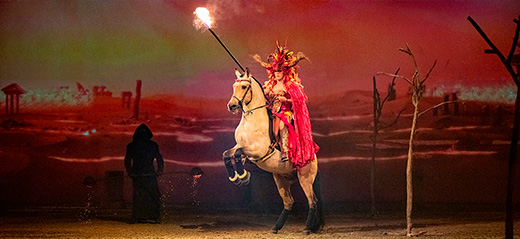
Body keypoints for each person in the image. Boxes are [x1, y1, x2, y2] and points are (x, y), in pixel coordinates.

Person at [253, 43, 319, 169]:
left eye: (280, 71)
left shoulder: (290, 85)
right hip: (272, 111)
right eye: (275, 71)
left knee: (281, 126)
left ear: (284, 72)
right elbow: (263, 95)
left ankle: (284, 150)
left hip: (285, 113)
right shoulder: (270, 85)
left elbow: (299, 100)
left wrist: (286, 99)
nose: (277, 73)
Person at [124, 123, 164, 224]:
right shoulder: (151, 145)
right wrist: (159, 171)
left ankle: (144, 216)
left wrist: (130, 172)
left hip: (142, 173)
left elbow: (127, 160)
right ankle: (149, 216)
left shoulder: (132, 145)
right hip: (144, 173)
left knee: (144, 195)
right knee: (146, 195)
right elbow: (127, 160)